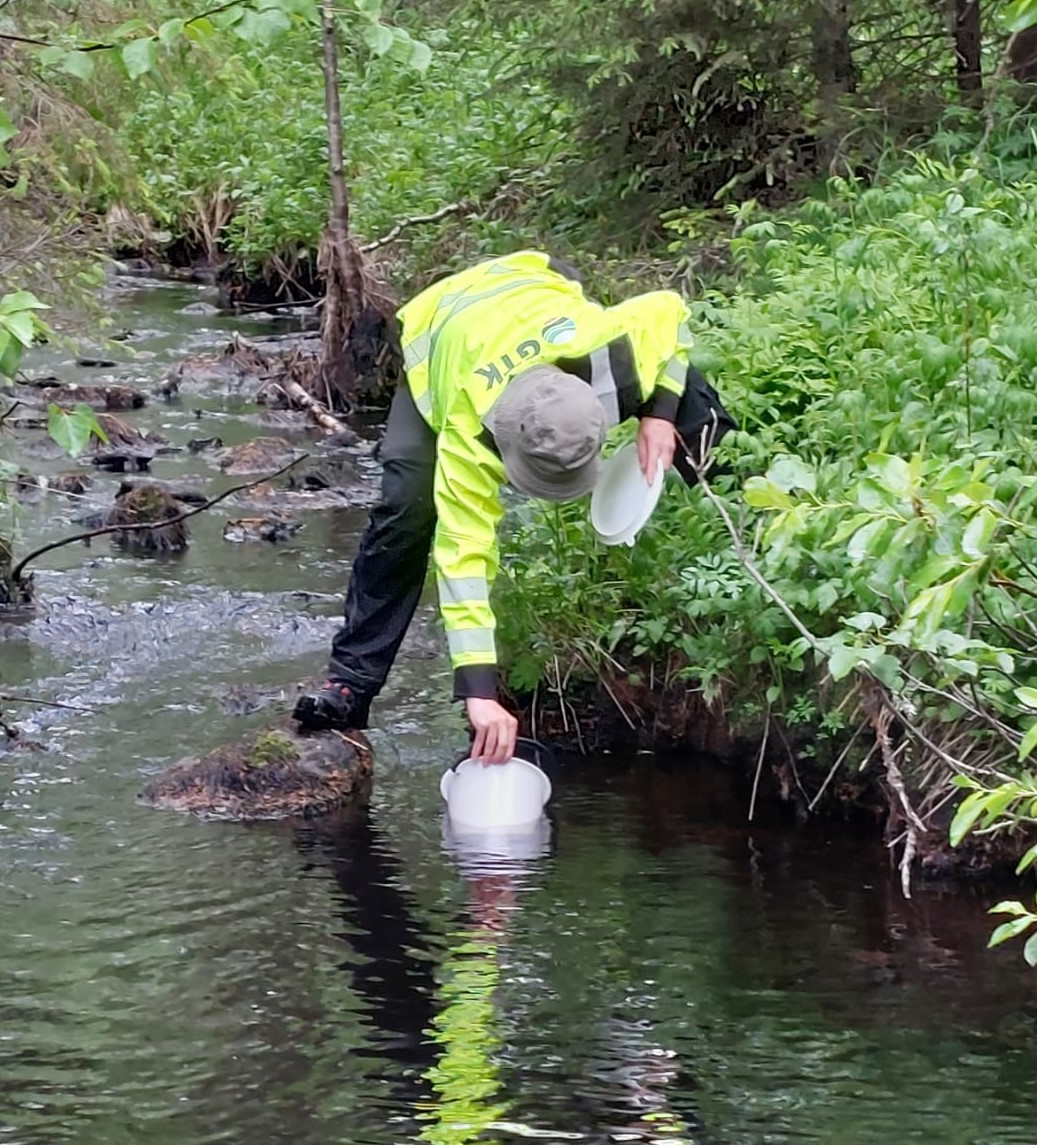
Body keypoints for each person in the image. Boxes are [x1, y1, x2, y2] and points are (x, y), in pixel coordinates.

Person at [293, 250, 737, 762]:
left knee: (688, 398)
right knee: (407, 510)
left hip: (533, 283)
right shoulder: (468, 429)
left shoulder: (607, 350)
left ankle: (747, 533)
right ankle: (350, 684)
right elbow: (464, 556)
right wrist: (479, 691)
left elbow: (669, 313)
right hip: (441, 331)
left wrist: (659, 410)